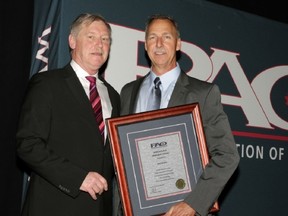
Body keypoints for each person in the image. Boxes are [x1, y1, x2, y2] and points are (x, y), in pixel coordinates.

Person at [119, 14, 240, 216]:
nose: (158, 44)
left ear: (178, 44)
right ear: (146, 45)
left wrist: (193, 204)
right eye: (152, 37)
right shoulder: (128, 92)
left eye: (166, 37)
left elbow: (227, 155)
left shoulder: (203, 94)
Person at [16, 13, 120, 216]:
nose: (99, 44)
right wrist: (77, 178)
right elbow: (27, 144)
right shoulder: (47, 84)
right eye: (90, 37)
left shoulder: (113, 96)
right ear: (72, 41)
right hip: (54, 206)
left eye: (105, 39)